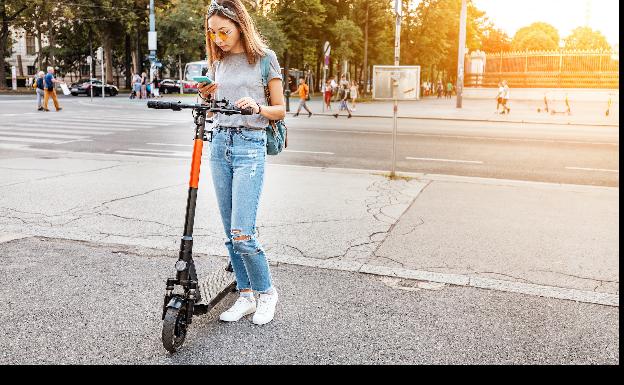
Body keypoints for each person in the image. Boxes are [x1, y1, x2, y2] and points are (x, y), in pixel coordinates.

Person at [198, 0, 285, 325]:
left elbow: (280, 110)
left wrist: (257, 108)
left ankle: (267, 293)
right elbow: (209, 109)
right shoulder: (216, 62)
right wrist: (205, 96)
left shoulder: (264, 60)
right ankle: (246, 295)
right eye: (213, 33)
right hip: (219, 143)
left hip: (250, 145)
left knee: (242, 233)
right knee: (228, 232)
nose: (219, 38)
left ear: (240, 27)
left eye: (225, 31)